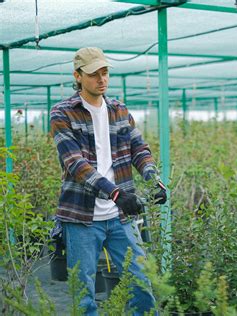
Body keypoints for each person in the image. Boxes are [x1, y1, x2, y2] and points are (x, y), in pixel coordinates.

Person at [50, 47, 167, 315]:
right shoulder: (63, 113)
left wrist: (153, 180)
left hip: (120, 217)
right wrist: (115, 193)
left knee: (140, 282)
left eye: (104, 73)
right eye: (93, 74)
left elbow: (139, 149)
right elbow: (76, 163)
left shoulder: (119, 110)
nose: (101, 79)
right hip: (81, 217)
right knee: (83, 293)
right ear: (77, 76)